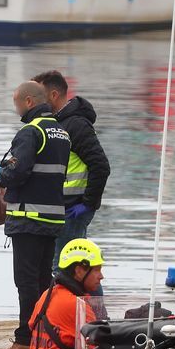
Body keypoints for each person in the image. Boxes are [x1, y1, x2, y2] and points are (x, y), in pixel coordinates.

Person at [0, 81, 71, 349]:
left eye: (16, 103)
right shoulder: (61, 133)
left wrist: (0, 173)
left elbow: (16, 172)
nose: (16, 109)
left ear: (28, 101)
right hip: (51, 219)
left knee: (25, 281)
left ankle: (24, 339)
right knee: (42, 281)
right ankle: (42, 336)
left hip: (28, 217)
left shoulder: (31, 131)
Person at [33, 70, 110, 259]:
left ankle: (88, 290)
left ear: (53, 95)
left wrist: (88, 203)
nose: (35, 101)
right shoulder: (54, 123)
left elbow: (101, 166)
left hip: (72, 211)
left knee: (70, 268)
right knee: (63, 268)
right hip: (59, 208)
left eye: (39, 95)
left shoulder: (76, 125)